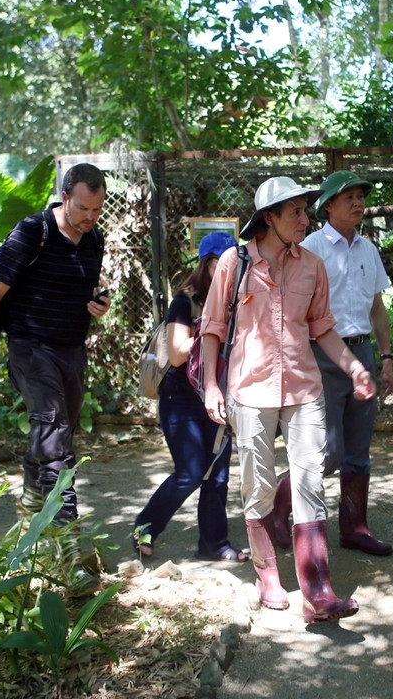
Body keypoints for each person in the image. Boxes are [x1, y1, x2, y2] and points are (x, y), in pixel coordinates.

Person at [200, 176, 376, 624]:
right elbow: (213, 329)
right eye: (294, 212)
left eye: (305, 210)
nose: (305, 219)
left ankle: (317, 589)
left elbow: (321, 328)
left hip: (304, 388)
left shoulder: (311, 265)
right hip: (250, 389)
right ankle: (267, 577)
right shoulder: (232, 264)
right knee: (258, 485)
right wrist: (212, 386)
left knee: (309, 481)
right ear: (268, 219)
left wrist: (355, 367)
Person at [0, 163, 110, 596]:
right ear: (64, 196)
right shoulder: (32, 232)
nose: (90, 217)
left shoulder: (95, 239)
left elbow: (83, 290)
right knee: (55, 441)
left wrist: (98, 304)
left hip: (71, 351)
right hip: (31, 348)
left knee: (56, 438)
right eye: (83, 208)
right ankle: (71, 554)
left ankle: (31, 501)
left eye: (97, 210)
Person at [263, 170, 393, 558]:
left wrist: (385, 359)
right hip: (320, 356)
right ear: (328, 205)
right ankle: (279, 510)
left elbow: (377, 307)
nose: (358, 203)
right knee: (327, 450)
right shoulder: (311, 248)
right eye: (348, 197)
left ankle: (354, 527)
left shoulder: (368, 250)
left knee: (359, 448)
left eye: (361, 197)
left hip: (363, 353)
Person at [133, 231, 247, 563]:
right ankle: (144, 527)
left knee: (218, 474)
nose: (228, 270)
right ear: (206, 264)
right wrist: (210, 328)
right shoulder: (185, 301)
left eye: (234, 264)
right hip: (180, 399)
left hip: (218, 398)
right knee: (191, 471)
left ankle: (213, 543)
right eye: (220, 264)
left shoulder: (238, 301)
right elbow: (179, 353)